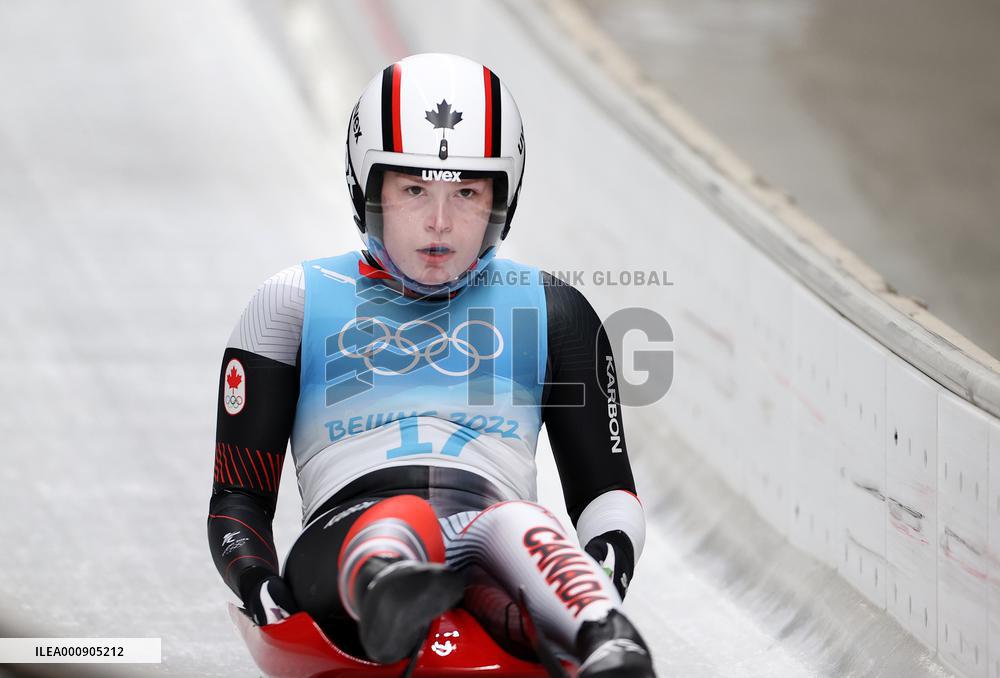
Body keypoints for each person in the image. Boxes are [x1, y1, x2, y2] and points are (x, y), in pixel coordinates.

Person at [207, 52, 655, 677]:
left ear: (504, 197)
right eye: (414, 189)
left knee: (520, 523)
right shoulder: (290, 303)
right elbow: (238, 497)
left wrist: (604, 564)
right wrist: (259, 582)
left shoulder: (554, 310)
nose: (439, 222)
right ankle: (391, 583)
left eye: (467, 193)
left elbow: (606, 492)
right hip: (346, 530)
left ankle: (603, 633)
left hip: (491, 529)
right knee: (404, 519)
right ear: (370, 189)